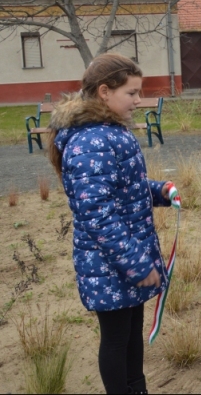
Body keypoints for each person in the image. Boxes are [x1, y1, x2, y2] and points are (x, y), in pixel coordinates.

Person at [47, 54, 177, 394]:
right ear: (104, 92)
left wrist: (159, 191)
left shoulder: (107, 133)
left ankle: (137, 388)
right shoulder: (91, 141)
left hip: (123, 259)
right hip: (111, 264)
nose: (138, 101)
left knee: (132, 334)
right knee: (117, 339)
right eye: (131, 93)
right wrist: (135, 261)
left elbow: (124, 190)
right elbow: (97, 212)